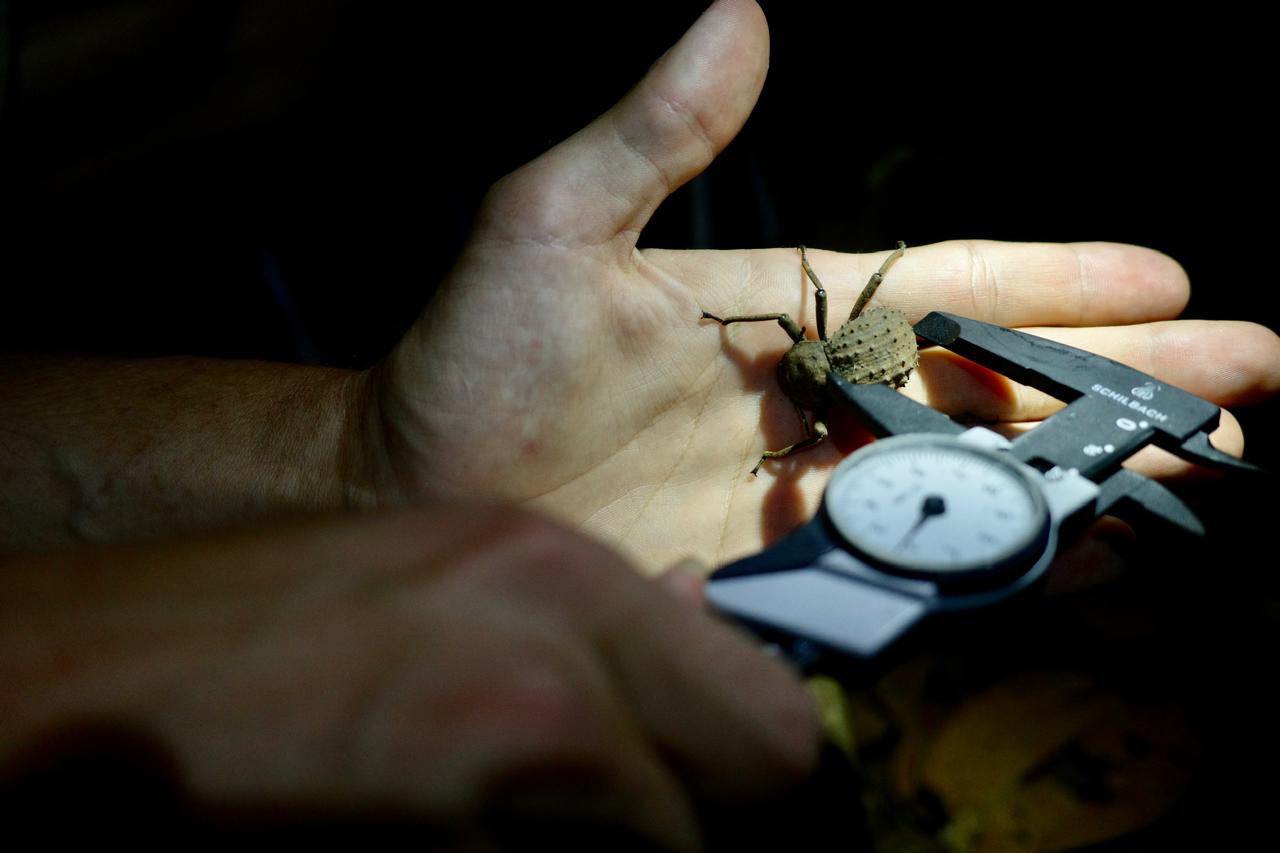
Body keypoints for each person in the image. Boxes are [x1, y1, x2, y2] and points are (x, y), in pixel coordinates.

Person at [2, 0, 1277, 848]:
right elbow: (823, 366)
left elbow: (841, 342)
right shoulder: (824, 372)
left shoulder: (837, 359)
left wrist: (345, 460)